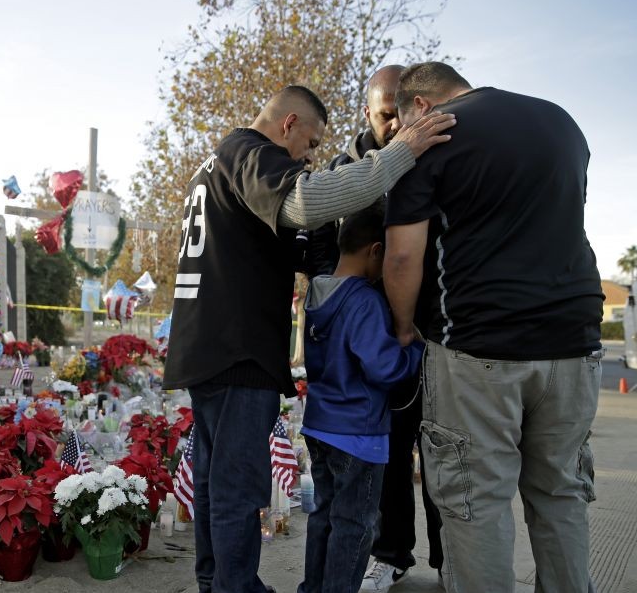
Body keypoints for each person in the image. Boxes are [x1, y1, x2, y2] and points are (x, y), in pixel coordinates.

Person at [161, 84, 455, 593]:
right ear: (289, 124)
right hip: (238, 349)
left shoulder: (217, 165)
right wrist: (400, 153)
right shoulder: (251, 153)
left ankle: (217, 582)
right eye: (312, 143)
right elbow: (306, 201)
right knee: (235, 487)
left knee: (212, 481)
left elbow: (284, 241)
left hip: (205, 346)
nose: (311, 156)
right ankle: (234, 588)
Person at [383, 62, 604, 593]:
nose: (397, 130)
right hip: (575, 341)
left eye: (398, 117)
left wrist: (405, 328)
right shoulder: (562, 123)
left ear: (420, 107)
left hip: (478, 346)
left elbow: (401, 256)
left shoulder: (427, 139)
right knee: (561, 496)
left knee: (474, 503)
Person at [298, 200, 424, 593]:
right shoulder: (364, 300)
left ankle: (313, 588)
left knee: (323, 516)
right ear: (376, 251)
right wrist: (414, 349)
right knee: (355, 525)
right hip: (359, 435)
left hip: (319, 424)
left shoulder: (317, 293)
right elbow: (384, 368)